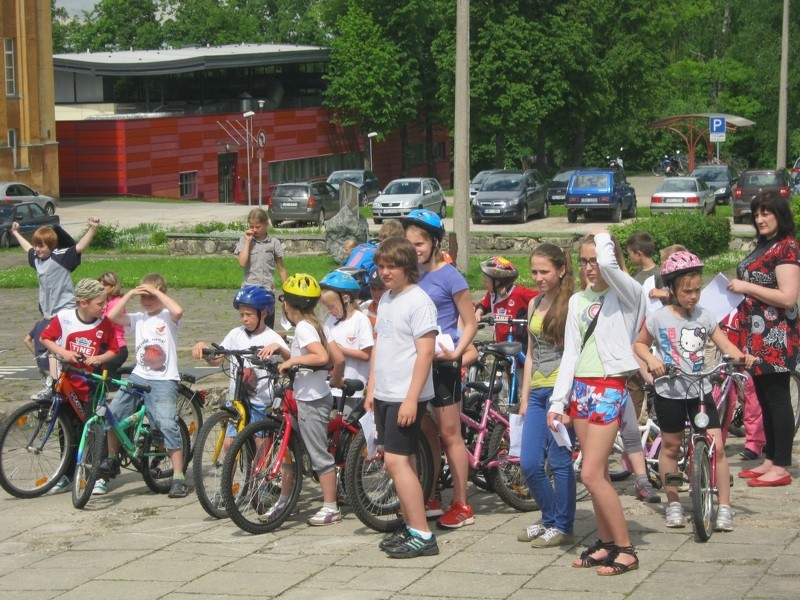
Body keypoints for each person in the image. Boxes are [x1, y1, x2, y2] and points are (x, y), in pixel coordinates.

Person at [634, 251, 755, 531]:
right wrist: (652, 360)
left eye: (697, 290)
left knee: (718, 446)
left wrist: (743, 358)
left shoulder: (706, 317)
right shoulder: (659, 319)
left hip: (700, 391)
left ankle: (724, 506)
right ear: (672, 290)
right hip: (669, 392)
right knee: (672, 447)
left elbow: (727, 347)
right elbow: (639, 345)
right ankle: (674, 500)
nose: (693, 296)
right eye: (687, 291)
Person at [546, 230, 644, 576]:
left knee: (589, 473)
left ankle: (626, 549)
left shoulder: (628, 294)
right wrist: (559, 401)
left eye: (596, 260)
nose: (591, 267)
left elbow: (609, 265)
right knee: (596, 472)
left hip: (609, 387)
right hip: (581, 391)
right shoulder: (577, 301)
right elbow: (570, 352)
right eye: (584, 261)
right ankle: (606, 543)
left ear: (609, 259)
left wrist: (603, 236)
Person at [402, 209, 477, 528]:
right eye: (409, 244)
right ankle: (431, 495)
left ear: (434, 242)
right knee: (426, 432)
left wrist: (457, 354)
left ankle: (462, 503)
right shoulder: (411, 275)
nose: (414, 250)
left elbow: (471, 322)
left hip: (443, 365)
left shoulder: (450, 276)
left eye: (419, 244)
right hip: (418, 363)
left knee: (450, 434)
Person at [367, 236, 440, 558]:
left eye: (392, 266)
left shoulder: (419, 301)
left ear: (407, 266)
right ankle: (411, 527)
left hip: (405, 394)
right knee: (402, 462)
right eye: (381, 266)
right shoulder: (386, 299)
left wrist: (412, 399)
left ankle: (424, 535)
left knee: (397, 463)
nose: (385, 272)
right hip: (385, 391)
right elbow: (380, 346)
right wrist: (372, 389)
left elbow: (425, 354)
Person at [256, 273, 346, 526]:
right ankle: (285, 501)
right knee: (289, 453)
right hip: (307, 396)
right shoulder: (313, 324)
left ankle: (330, 507)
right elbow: (331, 358)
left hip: (311, 400)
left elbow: (319, 357)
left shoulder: (305, 328)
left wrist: (293, 360)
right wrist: (285, 353)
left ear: (287, 304)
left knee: (318, 454)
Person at [727, 192, 800, 487]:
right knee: (764, 398)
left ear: (779, 215)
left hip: (777, 336)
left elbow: (787, 296)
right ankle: (770, 459)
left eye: (766, 213)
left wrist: (746, 286)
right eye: (756, 214)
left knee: (777, 398)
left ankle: (782, 465)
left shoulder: (787, 247)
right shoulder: (764, 245)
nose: (759, 219)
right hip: (756, 336)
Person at [100, 273, 188, 498]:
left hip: (164, 379)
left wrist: (156, 291)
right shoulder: (138, 318)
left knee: (167, 424)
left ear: (161, 294)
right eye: (144, 297)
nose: (147, 301)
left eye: (151, 296)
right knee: (112, 415)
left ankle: (178, 476)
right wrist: (130, 293)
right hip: (139, 376)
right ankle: (111, 460)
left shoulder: (168, 317)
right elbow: (111, 316)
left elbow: (178, 311)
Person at [191, 286, 288, 479]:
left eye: (249, 314)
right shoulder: (236, 334)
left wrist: (278, 347)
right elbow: (218, 359)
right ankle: (226, 486)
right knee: (229, 444)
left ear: (264, 313)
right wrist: (204, 350)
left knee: (260, 444)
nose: (244, 318)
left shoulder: (271, 337)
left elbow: (289, 358)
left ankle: (259, 483)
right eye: (241, 314)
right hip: (237, 399)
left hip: (260, 400)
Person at [517, 243, 576, 548]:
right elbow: (530, 354)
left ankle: (563, 525)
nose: (538, 277)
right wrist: (524, 398)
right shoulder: (534, 303)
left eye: (544, 271)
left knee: (559, 460)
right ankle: (550, 517)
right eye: (534, 271)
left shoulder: (572, 305)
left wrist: (565, 401)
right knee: (528, 463)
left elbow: (574, 355)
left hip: (560, 391)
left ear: (561, 270)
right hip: (537, 392)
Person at [39, 278, 120, 493]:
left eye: (105, 302)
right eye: (100, 303)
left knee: (94, 427)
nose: (105, 307)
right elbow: (46, 338)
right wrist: (63, 352)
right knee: (67, 429)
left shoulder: (105, 324)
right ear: (83, 303)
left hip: (92, 384)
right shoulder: (64, 317)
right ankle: (66, 474)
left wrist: (99, 358)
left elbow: (115, 350)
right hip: (67, 383)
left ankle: (99, 474)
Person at [13, 217, 102, 400]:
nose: (37, 249)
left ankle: (54, 386)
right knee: (40, 348)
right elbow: (27, 248)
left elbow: (79, 247)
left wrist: (92, 229)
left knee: (53, 350)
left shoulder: (61, 257)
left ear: (51, 247)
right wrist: (15, 233)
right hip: (47, 314)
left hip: (64, 313)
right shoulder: (37, 260)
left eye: (42, 246)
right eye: (37, 246)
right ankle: (53, 380)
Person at [319, 271, 373, 419]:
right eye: (327, 308)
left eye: (332, 306)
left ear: (346, 299)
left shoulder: (360, 320)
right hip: (332, 383)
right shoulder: (331, 320)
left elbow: (366, 354)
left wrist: (338, 349)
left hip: (352, 385)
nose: (330, 311)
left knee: (347, 424)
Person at [234, 208, 287, 329]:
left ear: (266, 224)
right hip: (249, 290)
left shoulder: (274, 243)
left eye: (258, 227)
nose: (255, 230)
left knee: (267, 326)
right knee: (251, 325)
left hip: (267, 290)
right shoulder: (244, 240)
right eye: (252, 227)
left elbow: (282, 269)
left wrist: (287, 293)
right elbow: (242, 263)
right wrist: (248, 242)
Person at [474, 256, 538, 345]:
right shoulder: (492, 294)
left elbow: (542, 298)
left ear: (497, 282)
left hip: (520, 342)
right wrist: (478, 312)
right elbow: (484, 306)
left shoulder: (519, 293)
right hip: (500, 341)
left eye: (485, 281)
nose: (483, 283)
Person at [97, 272, 128, 382]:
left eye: (105, 285)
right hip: (107, 345)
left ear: (113, 286)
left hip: (117, 346)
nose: (101, 288)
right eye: (100, 285)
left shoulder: (116, 303)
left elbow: (107, 320)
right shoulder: (106, 302)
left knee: (109, 382)